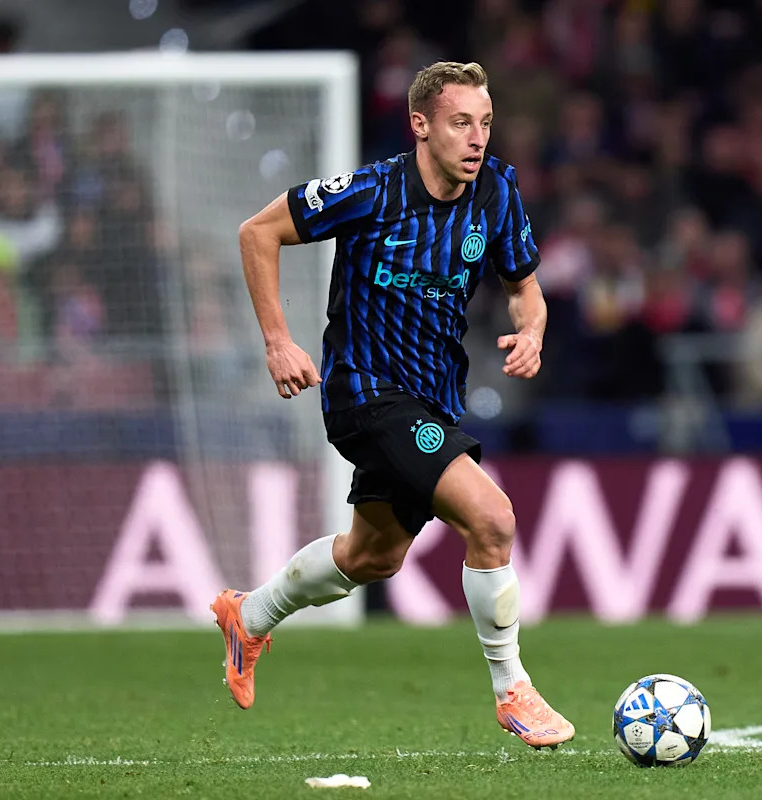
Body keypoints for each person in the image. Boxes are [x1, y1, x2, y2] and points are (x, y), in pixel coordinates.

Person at [211, 61, 573, 749]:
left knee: (373, 556)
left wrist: (532, 331)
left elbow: (525, 287)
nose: (477, 137)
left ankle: (248, 616)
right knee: (492, 518)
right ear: (421, 125)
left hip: (432, 401)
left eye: (485, 123)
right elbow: (257, 233)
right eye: (461, 122)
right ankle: (513, 690)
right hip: (365, 392)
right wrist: (278, 342)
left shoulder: (496, 192)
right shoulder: (372, 191)